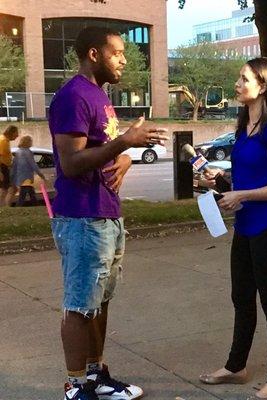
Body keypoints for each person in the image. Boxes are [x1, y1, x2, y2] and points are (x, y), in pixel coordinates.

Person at [49, 26, 167, 400]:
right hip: (82, 217)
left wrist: (125, 157)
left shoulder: (99, 96)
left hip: (107, 215)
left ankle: (96, 376)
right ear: (94, 54)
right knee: (80, 304)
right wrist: (123, 141)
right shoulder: (73, 96)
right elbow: (69, 163)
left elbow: (104, 151)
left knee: (99, 302)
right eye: (117, 53)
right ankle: (75, 384)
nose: (124, 60)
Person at [198, 57, 267, 400]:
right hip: (247, 224)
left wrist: (243, 194)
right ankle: (236, 366)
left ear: (264, 85)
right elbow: (250, 177)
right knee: (241, 297)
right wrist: (223, 180)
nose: (238, 84)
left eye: (244, 79)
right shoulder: (244, 125)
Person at [10, 135, 46, 206]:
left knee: (27, 193)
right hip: (27, 177)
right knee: (26, 194)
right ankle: (32, 206)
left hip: (20, 177)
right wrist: (41, 175)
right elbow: (33, 165)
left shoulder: (18, 152)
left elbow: (14, 166)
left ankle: (34, 206)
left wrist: (12, 177)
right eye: (30, 141)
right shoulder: (28, 152)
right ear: (28, 142)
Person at [0, 125, 19, 206]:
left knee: (11, 189)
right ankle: (4, 207)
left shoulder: (5, 140)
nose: (17, 136)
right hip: (2, 168)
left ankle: (5, 207)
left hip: (5, 168)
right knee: (5, 190)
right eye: (16, 133)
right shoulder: (3, 141)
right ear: (11, 132)